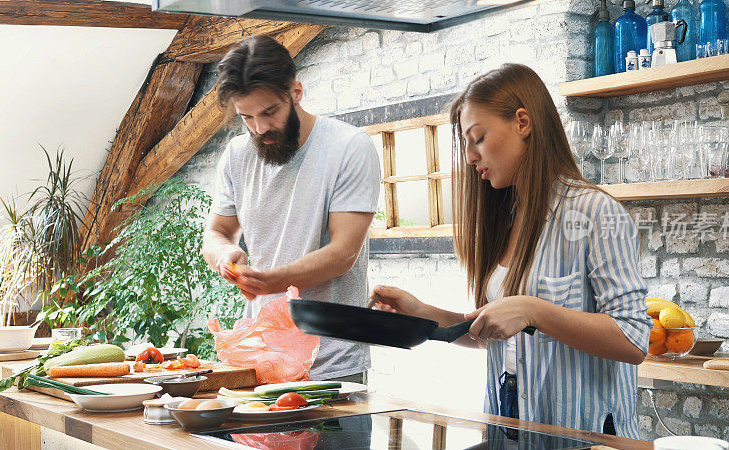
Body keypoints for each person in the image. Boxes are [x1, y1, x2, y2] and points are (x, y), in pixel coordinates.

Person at [371, 63, 651, 438]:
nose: (470, 157)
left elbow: (633, 339)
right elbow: (496, 334)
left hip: (581, 431)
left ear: (523, 122)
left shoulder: (595, 212)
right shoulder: (506, 217)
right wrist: (423, 314)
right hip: (506, 415)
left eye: (479, 138)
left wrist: (533, 309)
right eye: (466, 144)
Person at [202, 35, 380, 383]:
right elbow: (216, 233)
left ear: (296, 92)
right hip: (261, 362)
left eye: (270, 112)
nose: (260, 128)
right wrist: (225, 256)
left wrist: (270, 281)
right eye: (246, 117)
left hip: (333, 364)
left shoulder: (349, 147)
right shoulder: (237, 155)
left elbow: (343, 253)